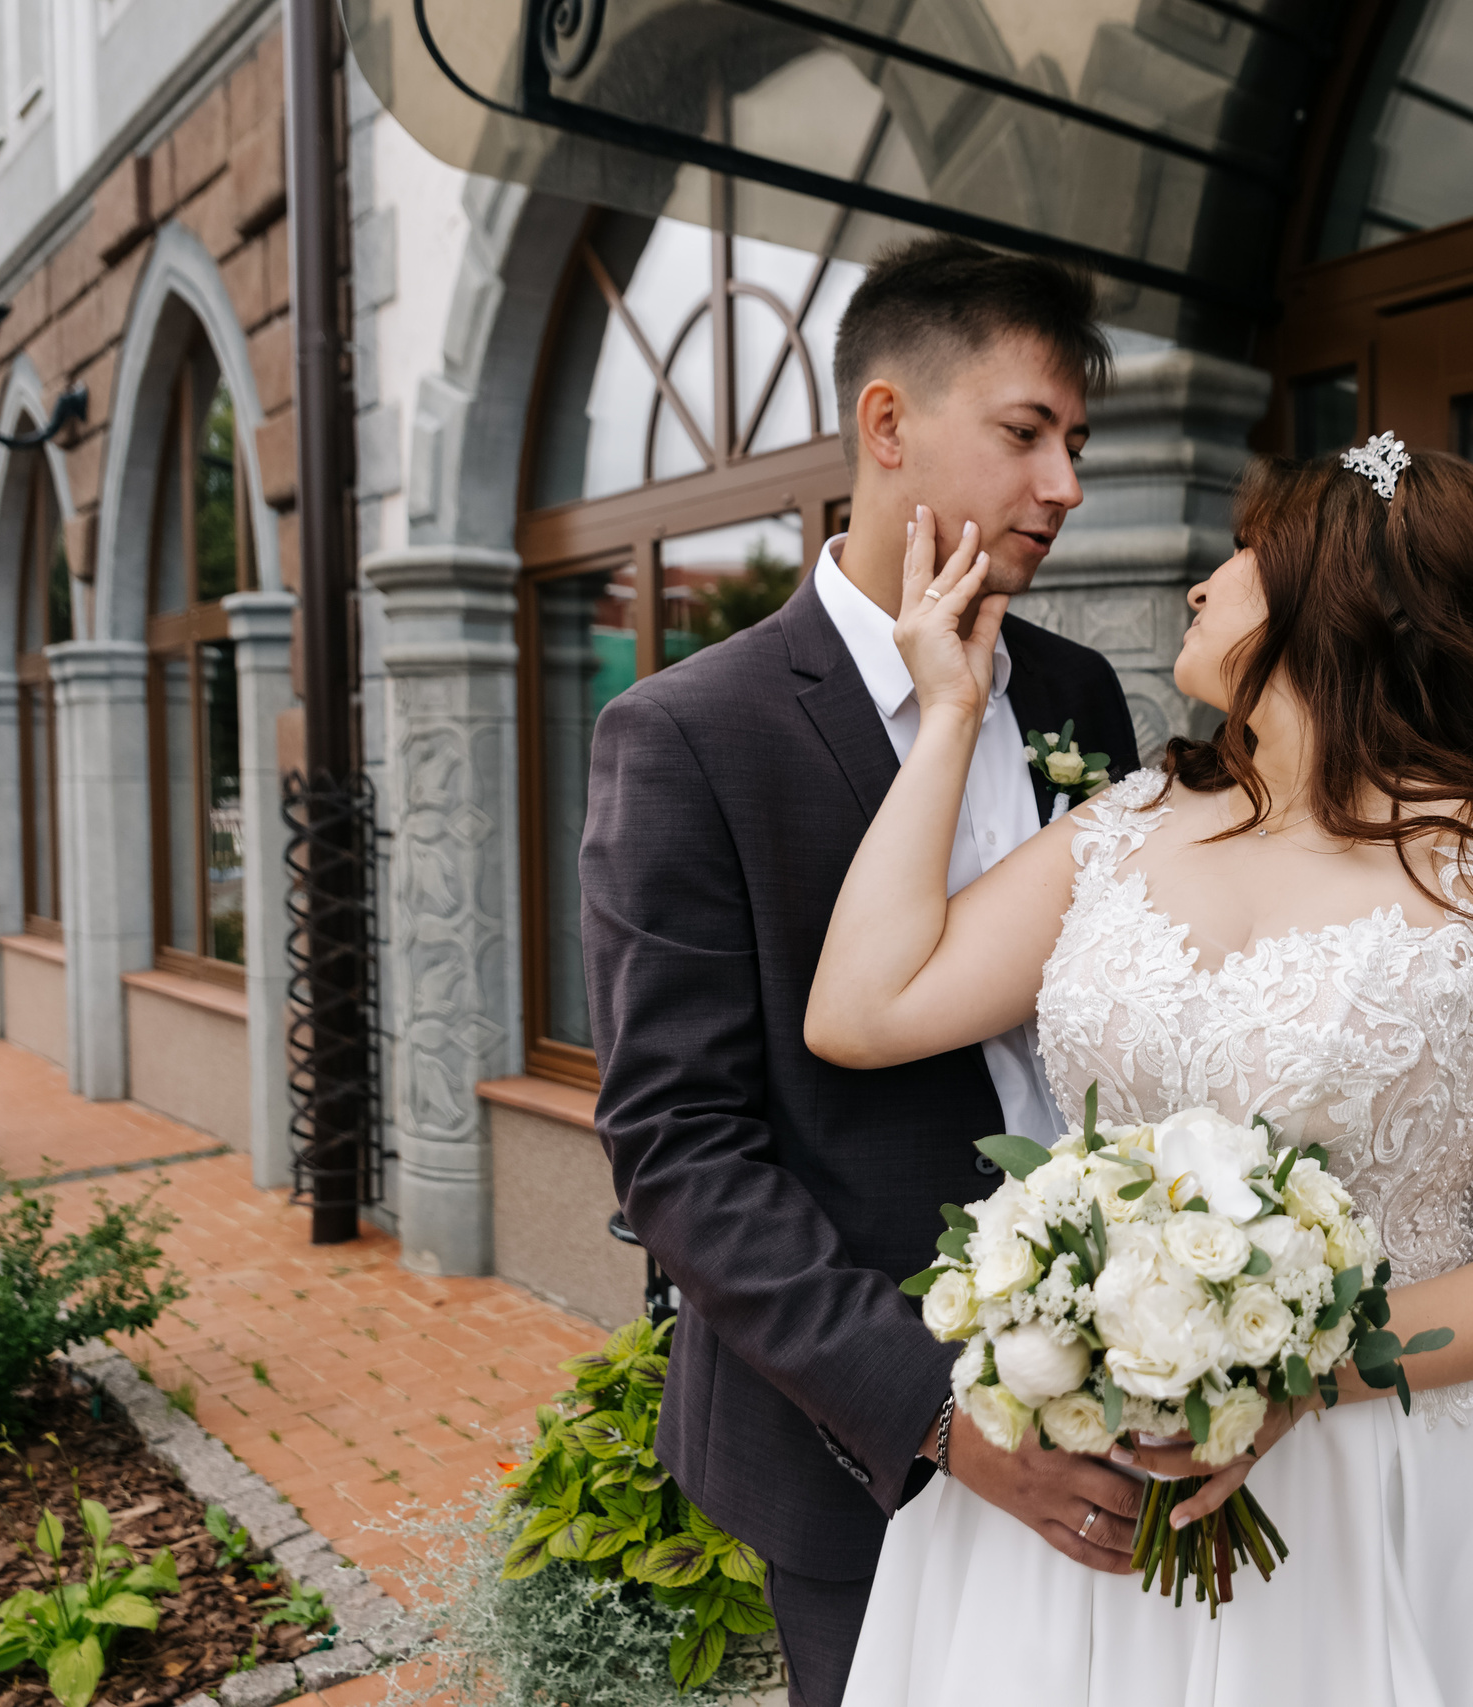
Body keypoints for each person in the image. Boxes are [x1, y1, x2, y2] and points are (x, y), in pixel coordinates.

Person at [804, 436, 1473, 1702]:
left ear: (1344, 597)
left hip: (1392, 1469)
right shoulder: (1128, 821)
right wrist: (950, 715)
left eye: (1248, 554)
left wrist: (1303, 1377)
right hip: (1096, 1467)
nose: (1203, 583)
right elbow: (862, 1010)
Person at [581, 235, 1148, 1707]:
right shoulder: (690, 734)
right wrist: (938, 1416)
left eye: (1078, 444)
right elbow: (677, 1148)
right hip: (866, 1448)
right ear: (887, 424)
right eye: (1026, 432)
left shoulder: (1078, 693)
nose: (1064, 485)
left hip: (1127, 1390)